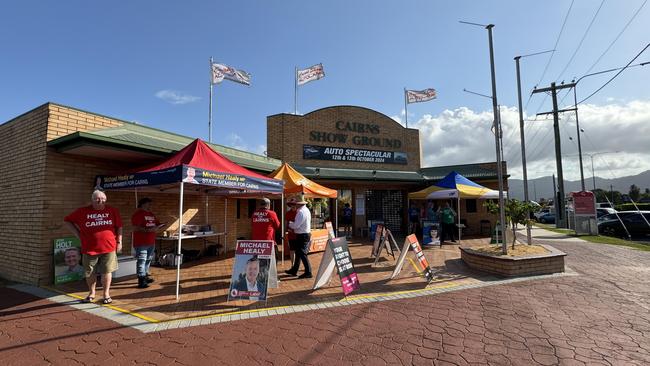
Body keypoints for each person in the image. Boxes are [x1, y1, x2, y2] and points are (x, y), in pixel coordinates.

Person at [63, 190, 122, 304]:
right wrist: (78, 235)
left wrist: (119, 241)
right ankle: (92, 293)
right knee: (90, 272)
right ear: (92, 200)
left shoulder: (112, 210)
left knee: (107, 271)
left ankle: (106, 294)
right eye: (97, 199)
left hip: (109, 247)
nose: (101, 201)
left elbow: (119, 227)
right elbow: (67, 221)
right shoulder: (82, 211)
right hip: (89, 248)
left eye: (103, 199)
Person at [131, 197, 164, 289]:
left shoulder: (151, 214)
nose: (150, 206)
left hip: (151, 241)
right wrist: (147, 230)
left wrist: (161, 225)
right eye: (149, 204)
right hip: (141, 242)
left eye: (150, 204)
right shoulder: (138, 214)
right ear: (143, 204)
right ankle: (141, 280)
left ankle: (145, 275)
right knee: (142, 260)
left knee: (148, 259)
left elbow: (156, 223)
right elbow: (135, 227)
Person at [285, 196, 312, 278]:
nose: (294, 206)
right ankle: (294, 270)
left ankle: (308, 272)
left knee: (302, 254)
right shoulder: (306, 210)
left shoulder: (300, 212)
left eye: (295, 204)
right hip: (303, 234)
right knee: (298, 253)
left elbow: (296, 225)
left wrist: (289, 224)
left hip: (302, 235)